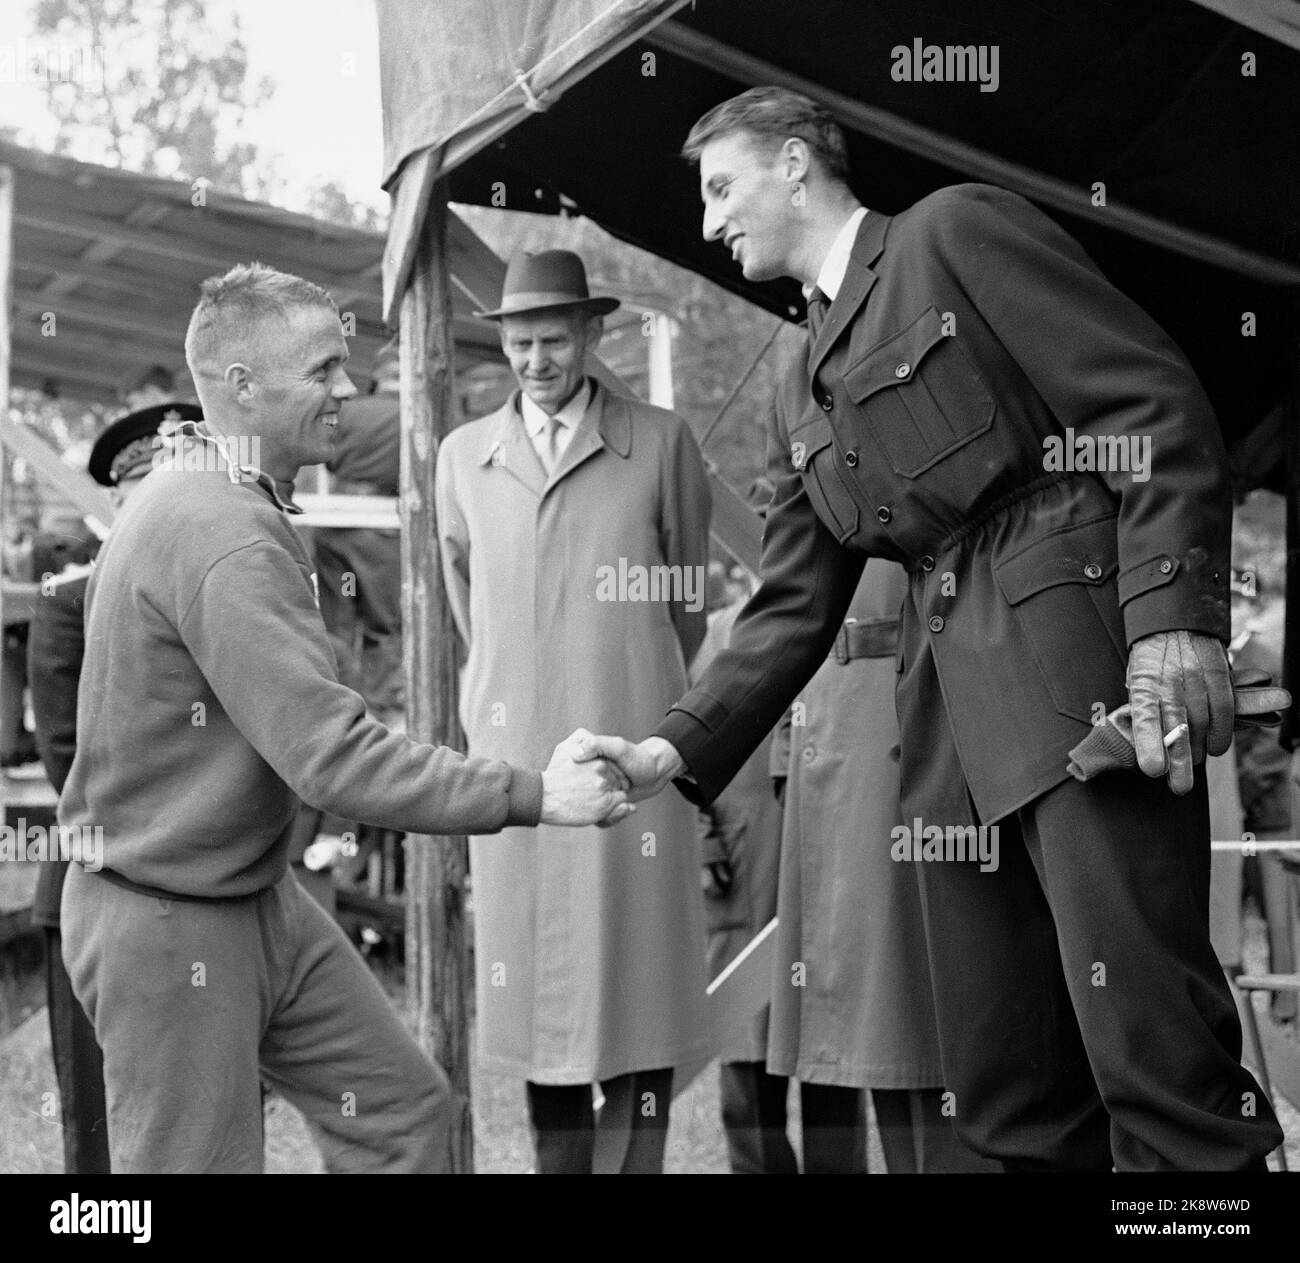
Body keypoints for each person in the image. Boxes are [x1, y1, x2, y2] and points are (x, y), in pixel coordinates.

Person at [578, 87, 1282, 1171]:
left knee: (1156, 1062)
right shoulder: (795, 380)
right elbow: (790, 602)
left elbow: (1149, 405)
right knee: (1006, 1090)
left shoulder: (952, 233)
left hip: (1075, 677)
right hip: (945, 743)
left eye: (723, 188)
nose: (709, 222)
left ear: (799, 164)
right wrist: (673, 742)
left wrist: (1164, 629)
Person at [56, 263, 630, 1175]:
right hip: (168, 918)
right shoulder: (219, 528)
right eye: (323, 370)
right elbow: (332, 757)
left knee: (403, 1114)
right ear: (242, 386)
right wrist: (533, 795)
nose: (348, 390)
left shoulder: (218, 493)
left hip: (253, 898)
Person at [435, 249, 714, 1174]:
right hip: (514, 770)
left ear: (594, 334)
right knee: (533, 998)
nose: (537, 359)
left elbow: (689, 604)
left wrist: (625, 675)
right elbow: (467, 608)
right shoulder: (461, 459)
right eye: (520, 342)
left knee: (637, 993)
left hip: (629, 756)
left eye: (555, 339)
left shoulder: (662, 442)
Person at [27, 402, 196, 1173]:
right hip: (98, 882)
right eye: (145, 492)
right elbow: (68, 758)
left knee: (193, 1112)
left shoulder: (211, 584)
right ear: (117, 500)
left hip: (202, 889)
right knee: (96, 1127)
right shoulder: (70, 597)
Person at [314, 336, 403, 718]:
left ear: (377, 380)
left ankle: (340, 706)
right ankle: (382, 709)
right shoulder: (418, 416)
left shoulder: (347, 413)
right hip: (385, 531)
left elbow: (326, 459)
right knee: (384, 626)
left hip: (335, 528)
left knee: (337, 624)